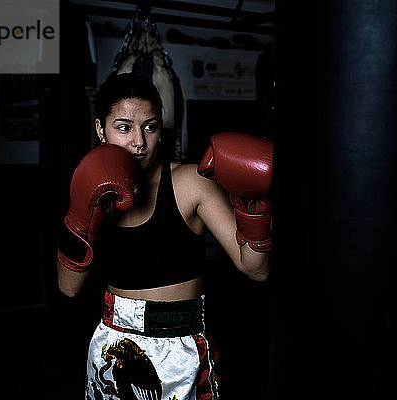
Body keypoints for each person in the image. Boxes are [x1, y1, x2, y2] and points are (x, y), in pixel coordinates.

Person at [56, 72, 273, 400]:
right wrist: (80, 219)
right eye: (124, 127)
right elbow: (68, 288)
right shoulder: (91, 187)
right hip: (111, 346)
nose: (139, 142)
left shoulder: (191, 183)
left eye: (150, 127)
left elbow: (256, 268)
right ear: (100, 128)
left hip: (179, 353)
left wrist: (254, 212)